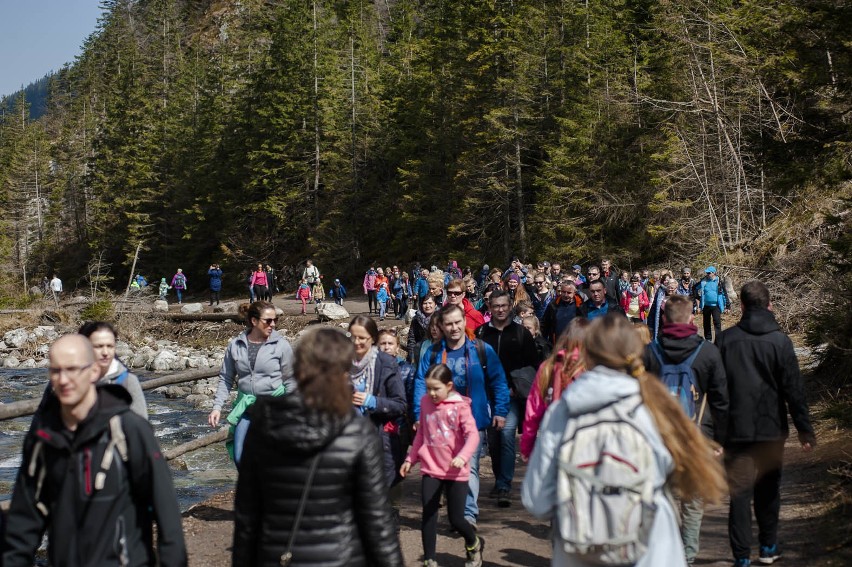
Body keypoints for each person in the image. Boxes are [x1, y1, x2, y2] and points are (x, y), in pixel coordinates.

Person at [522, 314, 726, 567]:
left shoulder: (561, 413)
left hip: (580, 550)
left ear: (588, 353)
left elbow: (536, 500)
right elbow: (674, 474)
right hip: (649, 549)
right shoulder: (653, 406)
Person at [2, 335, 186, 566]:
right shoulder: (43, 438)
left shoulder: (129, 429)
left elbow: (166, 512)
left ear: (92, 372)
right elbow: (24, 521)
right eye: (56, 371)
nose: (64, 379)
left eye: (72, 369)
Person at [232, 327, 403, 566]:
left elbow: (247, 515)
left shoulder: (264, 422)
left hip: (276, 555)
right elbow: (377, 521)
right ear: (345, 373)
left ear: (298, 369)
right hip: (341, 558)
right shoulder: (358, 431)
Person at [716, 280, 816, 567]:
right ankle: (768, 546)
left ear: (743, 306)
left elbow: (717, 390)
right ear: (769, 305)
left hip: (736, 431)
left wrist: (715, 432)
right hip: (771, 429)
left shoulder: (725, 340)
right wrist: (804, 429)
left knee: (739, 494)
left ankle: (741, 556)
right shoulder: (780, 342)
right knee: (768, 490)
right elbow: (793, 389)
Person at [641, 295, 729, 565]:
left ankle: (663, 553)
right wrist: (720, 441)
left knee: (661, 498)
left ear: (664, 319)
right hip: (697, 435)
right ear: (692, 318)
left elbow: (637, 398)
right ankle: (688, 555)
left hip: (659, 437)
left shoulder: (649, 353)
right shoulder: (708, 352)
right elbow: (721, 401)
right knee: (692, 500)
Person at [412, 304, 510, 528]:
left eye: (458, 322)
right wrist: (419, 414)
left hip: (471, 420)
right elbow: (420, 383)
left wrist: (501, 411)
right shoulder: (433, 353)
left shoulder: (481, 350)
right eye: (449, 324)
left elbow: (498, 381)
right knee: (444, 468)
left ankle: (467, 516)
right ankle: (457, 510)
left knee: (469, 465)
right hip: (439, 422)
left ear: (465, 322)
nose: (454, 327)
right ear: (442, 327)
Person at [400, 364, 484, 567]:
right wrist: (410, 459)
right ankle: (430, 559)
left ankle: (473, 542)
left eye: (436, 388)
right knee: (428, 515)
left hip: (455, 471)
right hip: (431, 468)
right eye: (428, 388)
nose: (432, 393)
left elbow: (472, 435)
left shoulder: (460, 406)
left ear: (449, 385)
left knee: (456, 519)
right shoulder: (425, 403)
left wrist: (463, 456)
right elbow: (421, 434)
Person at [208, 301, 296, 464]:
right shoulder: (236, 345)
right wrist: (217, 407)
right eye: (268, 321)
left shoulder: (281, 345)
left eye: (275, 320)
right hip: (247, 410)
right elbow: (226, 378)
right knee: (240, 457)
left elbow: (291, 380)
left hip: (273, 411)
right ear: (254, 321)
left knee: (272, 459)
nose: (273, 324)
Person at [477, 290, 540, 507]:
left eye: (504, 305)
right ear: (490, 307)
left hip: (512, 395)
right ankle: (499, 479)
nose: (501, 310)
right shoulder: (482, 332)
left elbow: (534, 364)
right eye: (496, 306)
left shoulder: (521, 333)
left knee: (505, 434)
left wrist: (515, 387)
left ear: (510, 305)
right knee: (493, 440)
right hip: (487, 394)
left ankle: (504, 484)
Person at [348, 316, 407, 487]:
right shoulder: (341, 362)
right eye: (353, 337)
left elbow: (400, 404)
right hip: (347, 439)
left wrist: (373, 401)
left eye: (362, 338)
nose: (356, 342)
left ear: (372, 339)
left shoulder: (386, 363)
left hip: (377, 438)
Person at [520, 318, 589, 461]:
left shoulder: (549, 366)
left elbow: (534, 408)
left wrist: (527, 446)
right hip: (586, 443)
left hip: (553, 437)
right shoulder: (593, 367)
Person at [79, 321, 148, 419]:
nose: (105, 352)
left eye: (110, 346)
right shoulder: (67, 379)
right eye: (99, 346)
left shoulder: (128, 381)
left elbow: (141, 427)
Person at [696, 266, 728, 341]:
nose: (707, 274)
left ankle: (718, 340)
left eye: (709, 273)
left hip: (716, 306)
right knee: (706, 323)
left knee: (717, 323)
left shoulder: (719, 281)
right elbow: (695, 288)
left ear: (714, 273)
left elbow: (724, 293)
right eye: (706, 273)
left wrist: (727, 305)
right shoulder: (703, 281)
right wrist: (697, 299)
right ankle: (708, 339)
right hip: (706, 305)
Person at [407, 294, 437, 362]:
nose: (427, 306)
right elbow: (412, 339)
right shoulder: (416, 319)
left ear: (435, 305)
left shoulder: (440, 318)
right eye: (425, 303)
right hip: (419, 352)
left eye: (430, 303)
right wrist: (412, 356)